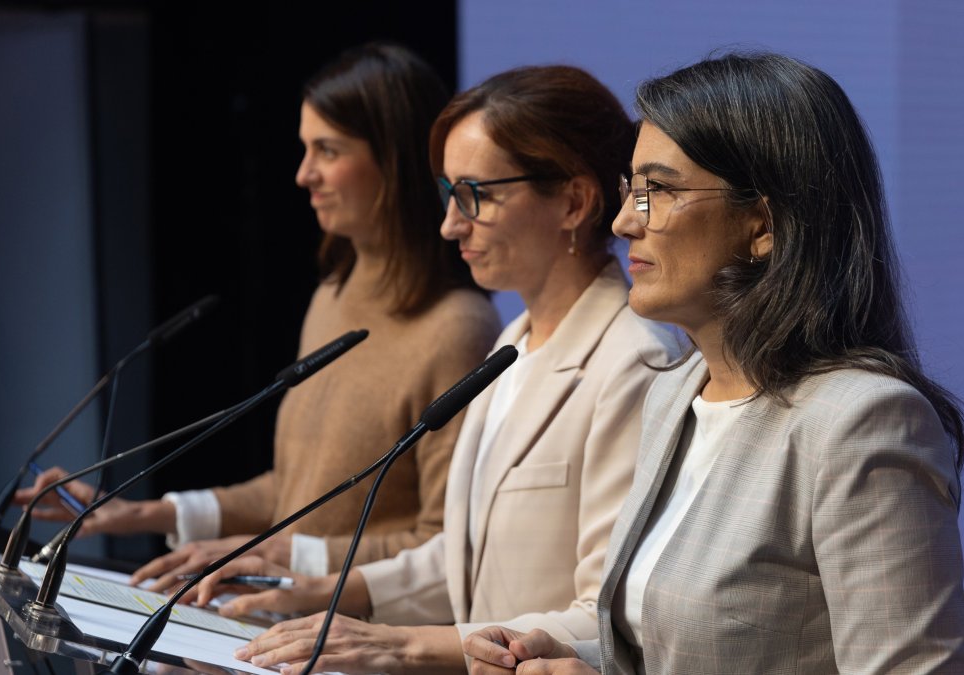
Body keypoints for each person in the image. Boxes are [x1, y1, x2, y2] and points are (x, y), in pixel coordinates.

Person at [464, 51, 964, 674]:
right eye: (632, 189)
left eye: (659, 190)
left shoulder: (862, 422)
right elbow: (697, 650)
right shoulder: (678, 391)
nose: (625, 220)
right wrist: (585, 656)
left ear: (762, 225)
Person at [190, 65, 677, 674]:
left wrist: (401, 644)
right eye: (450, 194)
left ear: (574, 202)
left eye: (476, 194)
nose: (451, 224)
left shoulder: (636, 362)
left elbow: (608, 618)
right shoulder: (514, 343)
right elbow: (467, 555)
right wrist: (331, 588)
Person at [20, 43, 501, 581]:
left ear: (394, 158)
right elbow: (298, 489)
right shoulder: (333, 295)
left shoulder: (458, 328)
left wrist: (278, 557)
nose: (303, 175)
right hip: (282, 622)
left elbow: (441, 546)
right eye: (304, 149)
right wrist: (137, 513)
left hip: (355, 644)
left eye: (328, 150)